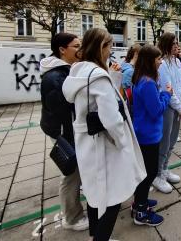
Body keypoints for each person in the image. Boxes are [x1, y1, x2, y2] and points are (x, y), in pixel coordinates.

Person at [62, 28, 146, 241]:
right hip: (105, 148)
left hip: (88, 144)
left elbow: (95, 101)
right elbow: (112, 119)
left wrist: (113, 77)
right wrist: (123, 142)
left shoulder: (79, 71)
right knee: (111, 199)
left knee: (94, 195)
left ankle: (97, 237)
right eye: (109, 46)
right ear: (102, 47)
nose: (111, 51)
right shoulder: (98, 77)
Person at [40, 33, 89, 232]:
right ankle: (72, 217)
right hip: (64, 132)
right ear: (62, 49)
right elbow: (66, 109)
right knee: (71, 174)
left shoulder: (66, 71)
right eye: (76, 46)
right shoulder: (55, 76)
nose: (80, 49)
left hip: (69, 130)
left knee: (75, 173)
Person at [131, 44, 172, 226]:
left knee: (146, 172)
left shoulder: (143, 78)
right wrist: (166, 94)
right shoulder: (147, 83)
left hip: (145, 132)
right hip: (148, 134)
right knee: (149, 173)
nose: (161, 62)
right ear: (150, 61)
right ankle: (140, 212)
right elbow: (156, 111)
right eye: (158, 59)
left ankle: (140, 202)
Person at [154, 33, 181, 194]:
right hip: (169, 107)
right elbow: (167, 88)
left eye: (177, 42)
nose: (176, 45)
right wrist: (180, 108)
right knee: (164, 141)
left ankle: (165, 168)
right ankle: (158, 174)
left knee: (173, 140)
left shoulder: (176, 62)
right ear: (167, 44)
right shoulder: (162, 64)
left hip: (179, 107)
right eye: (174, 43)